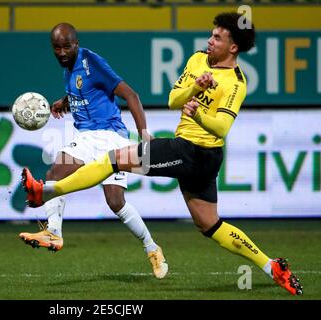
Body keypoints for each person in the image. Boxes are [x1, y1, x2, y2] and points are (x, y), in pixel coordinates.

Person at [22, 13, 303, 295]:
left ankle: (47, 190)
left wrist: (199, 115)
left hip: (194, 151)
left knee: (113, 160)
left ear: (233, 47)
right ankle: (271, 266)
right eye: (211, 34)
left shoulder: (236, 83)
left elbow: (221, 128)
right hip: (195, 155)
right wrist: (196, 87)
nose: (210, 40)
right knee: (210, 225)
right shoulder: (197, 60)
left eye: (218, 38)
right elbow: (173, 100)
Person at [19, 23, 168, 280]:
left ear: (76, 44)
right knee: (63, 177)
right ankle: (54, 231)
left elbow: (131, 95)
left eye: (67, 46)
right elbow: (84, 90)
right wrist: (64, 101)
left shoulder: (92, 63)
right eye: (57, 47)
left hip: (111, 136)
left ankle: (151, 248)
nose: (62, 52)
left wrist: (144, 136)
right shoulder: (68, 69)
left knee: (113, 201)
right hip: (88, 137)